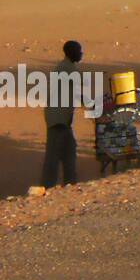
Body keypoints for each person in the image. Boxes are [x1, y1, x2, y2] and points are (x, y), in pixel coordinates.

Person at [41, 40, 83, 188]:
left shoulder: (66, 67)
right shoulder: (67, 68)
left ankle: (70, 186)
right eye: (79, 51)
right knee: (53, 157)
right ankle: (46, 187)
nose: (81, 53)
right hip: (58, 119)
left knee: (69, 152)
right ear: (71, 52)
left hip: (62, 120)